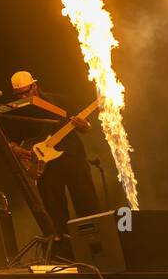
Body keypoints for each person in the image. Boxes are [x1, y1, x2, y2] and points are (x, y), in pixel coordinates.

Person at [8, 70, 101, 245]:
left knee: (87, 206)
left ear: (35, 86)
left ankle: (95, 249)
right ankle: (65, 255)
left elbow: (85, 127)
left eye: (26, 91)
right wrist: (15, 149)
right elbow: (9, 138)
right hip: (45, 167)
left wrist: (85, 125)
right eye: (19, 94)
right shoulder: (17, 111)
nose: (23, 96)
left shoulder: (58, 100)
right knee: (56, 215)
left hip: (73, 159)